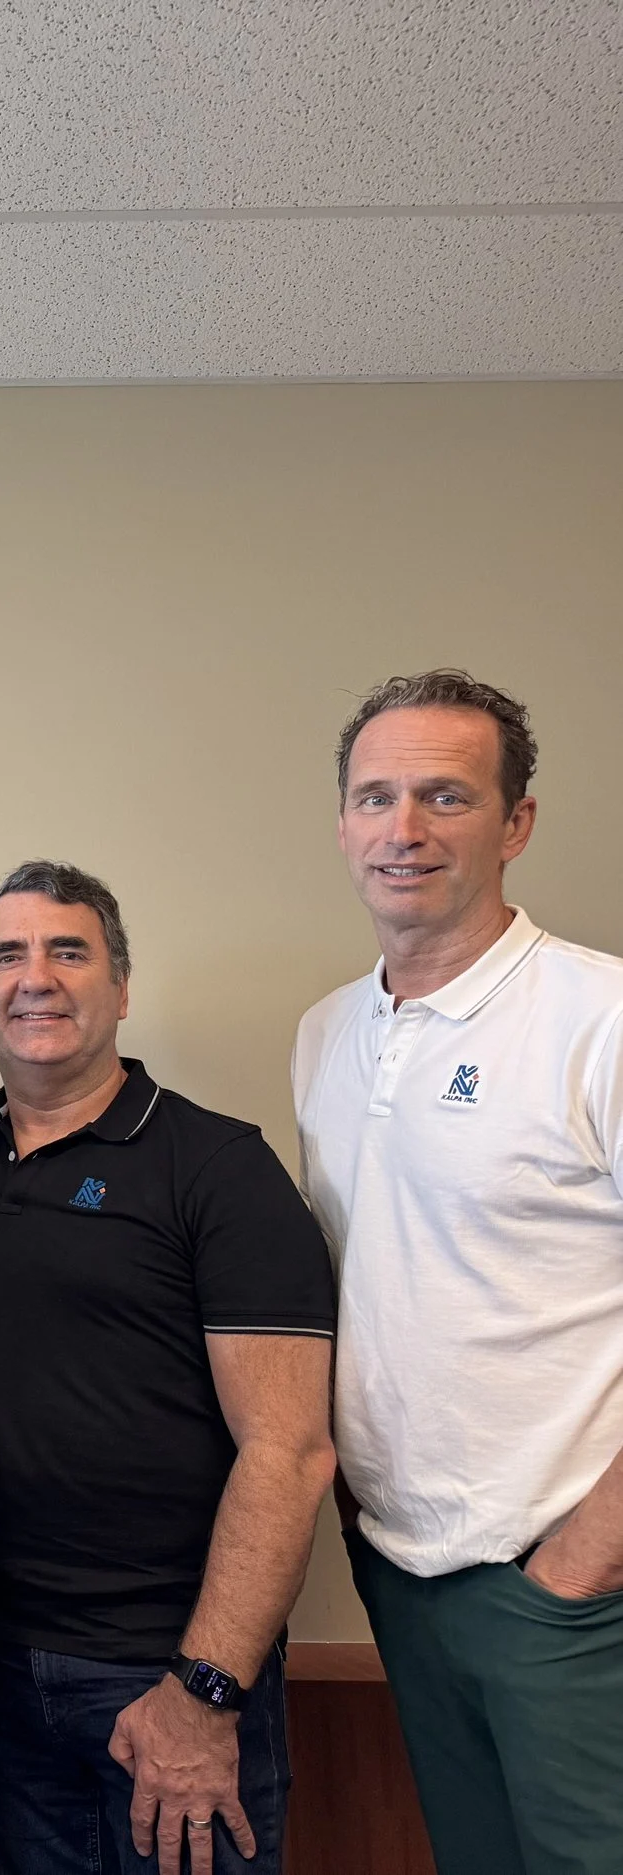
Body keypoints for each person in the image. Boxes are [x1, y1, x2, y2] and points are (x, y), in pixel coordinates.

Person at [0, 861, 336, 1874]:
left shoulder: (218, 1168)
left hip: (167, 1667)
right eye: (6, 956)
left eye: (69, 951)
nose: (35, 978)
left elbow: (290, 1451)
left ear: (122, 986)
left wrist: (204, 1690)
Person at [294, 670, 623, 1875]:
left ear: (515, 822)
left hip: (568, 1587)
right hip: (402, 1571)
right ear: (343, 825)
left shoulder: (600, 1018)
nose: (405, 829)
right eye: (374, 798)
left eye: (445, 796)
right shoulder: (326, 1033)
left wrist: (585, 1559)